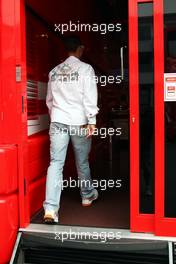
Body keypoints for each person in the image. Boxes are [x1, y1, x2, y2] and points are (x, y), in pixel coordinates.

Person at [43, 35, 99, 224]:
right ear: (80, 49)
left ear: (66, 50)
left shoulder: (54, 72)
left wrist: (56, 116)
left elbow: (49, 101)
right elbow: (90, 96)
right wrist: (92, 120)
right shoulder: (86, 69)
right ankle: (87, 195)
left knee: (55, 164)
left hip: (58, 120)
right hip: (79, 121)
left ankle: (50, 209)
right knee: (82, 161)